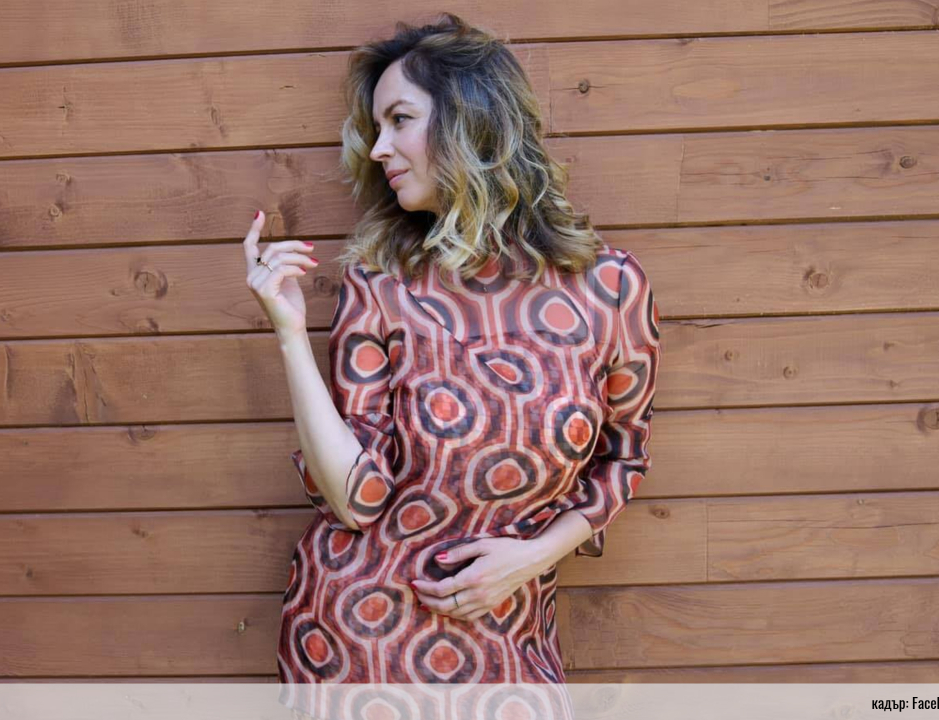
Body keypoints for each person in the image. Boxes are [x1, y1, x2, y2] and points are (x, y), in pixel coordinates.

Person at [243, 13, 660, 720]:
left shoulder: (611, 287)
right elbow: (356, 500)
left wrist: (534, 557)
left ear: (473, 119)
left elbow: (624, 456)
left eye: (400, 120)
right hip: (358, 638)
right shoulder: (380, 281)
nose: (378, 148)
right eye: (375, 128)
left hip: (511, 634)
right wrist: (288, 333)